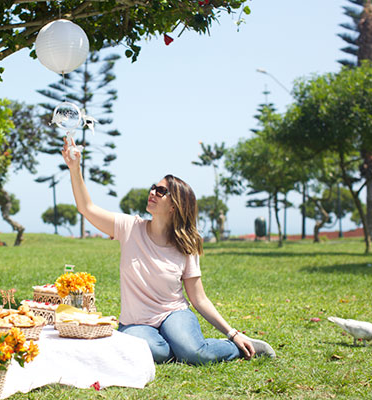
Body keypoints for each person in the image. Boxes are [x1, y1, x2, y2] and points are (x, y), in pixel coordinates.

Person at [61, 138, 275, 365]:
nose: (153, 191)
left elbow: (199, 299)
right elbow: (87, 208)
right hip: (136, 323)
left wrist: (233, 333)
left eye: (161, 191)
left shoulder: (186, 245)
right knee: (159, 353)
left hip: (174, 314)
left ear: (174, 206)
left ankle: (237, 348)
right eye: (154, 187)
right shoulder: (129, 228)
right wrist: (75, 169)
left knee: (194, 354)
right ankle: (173, 346)